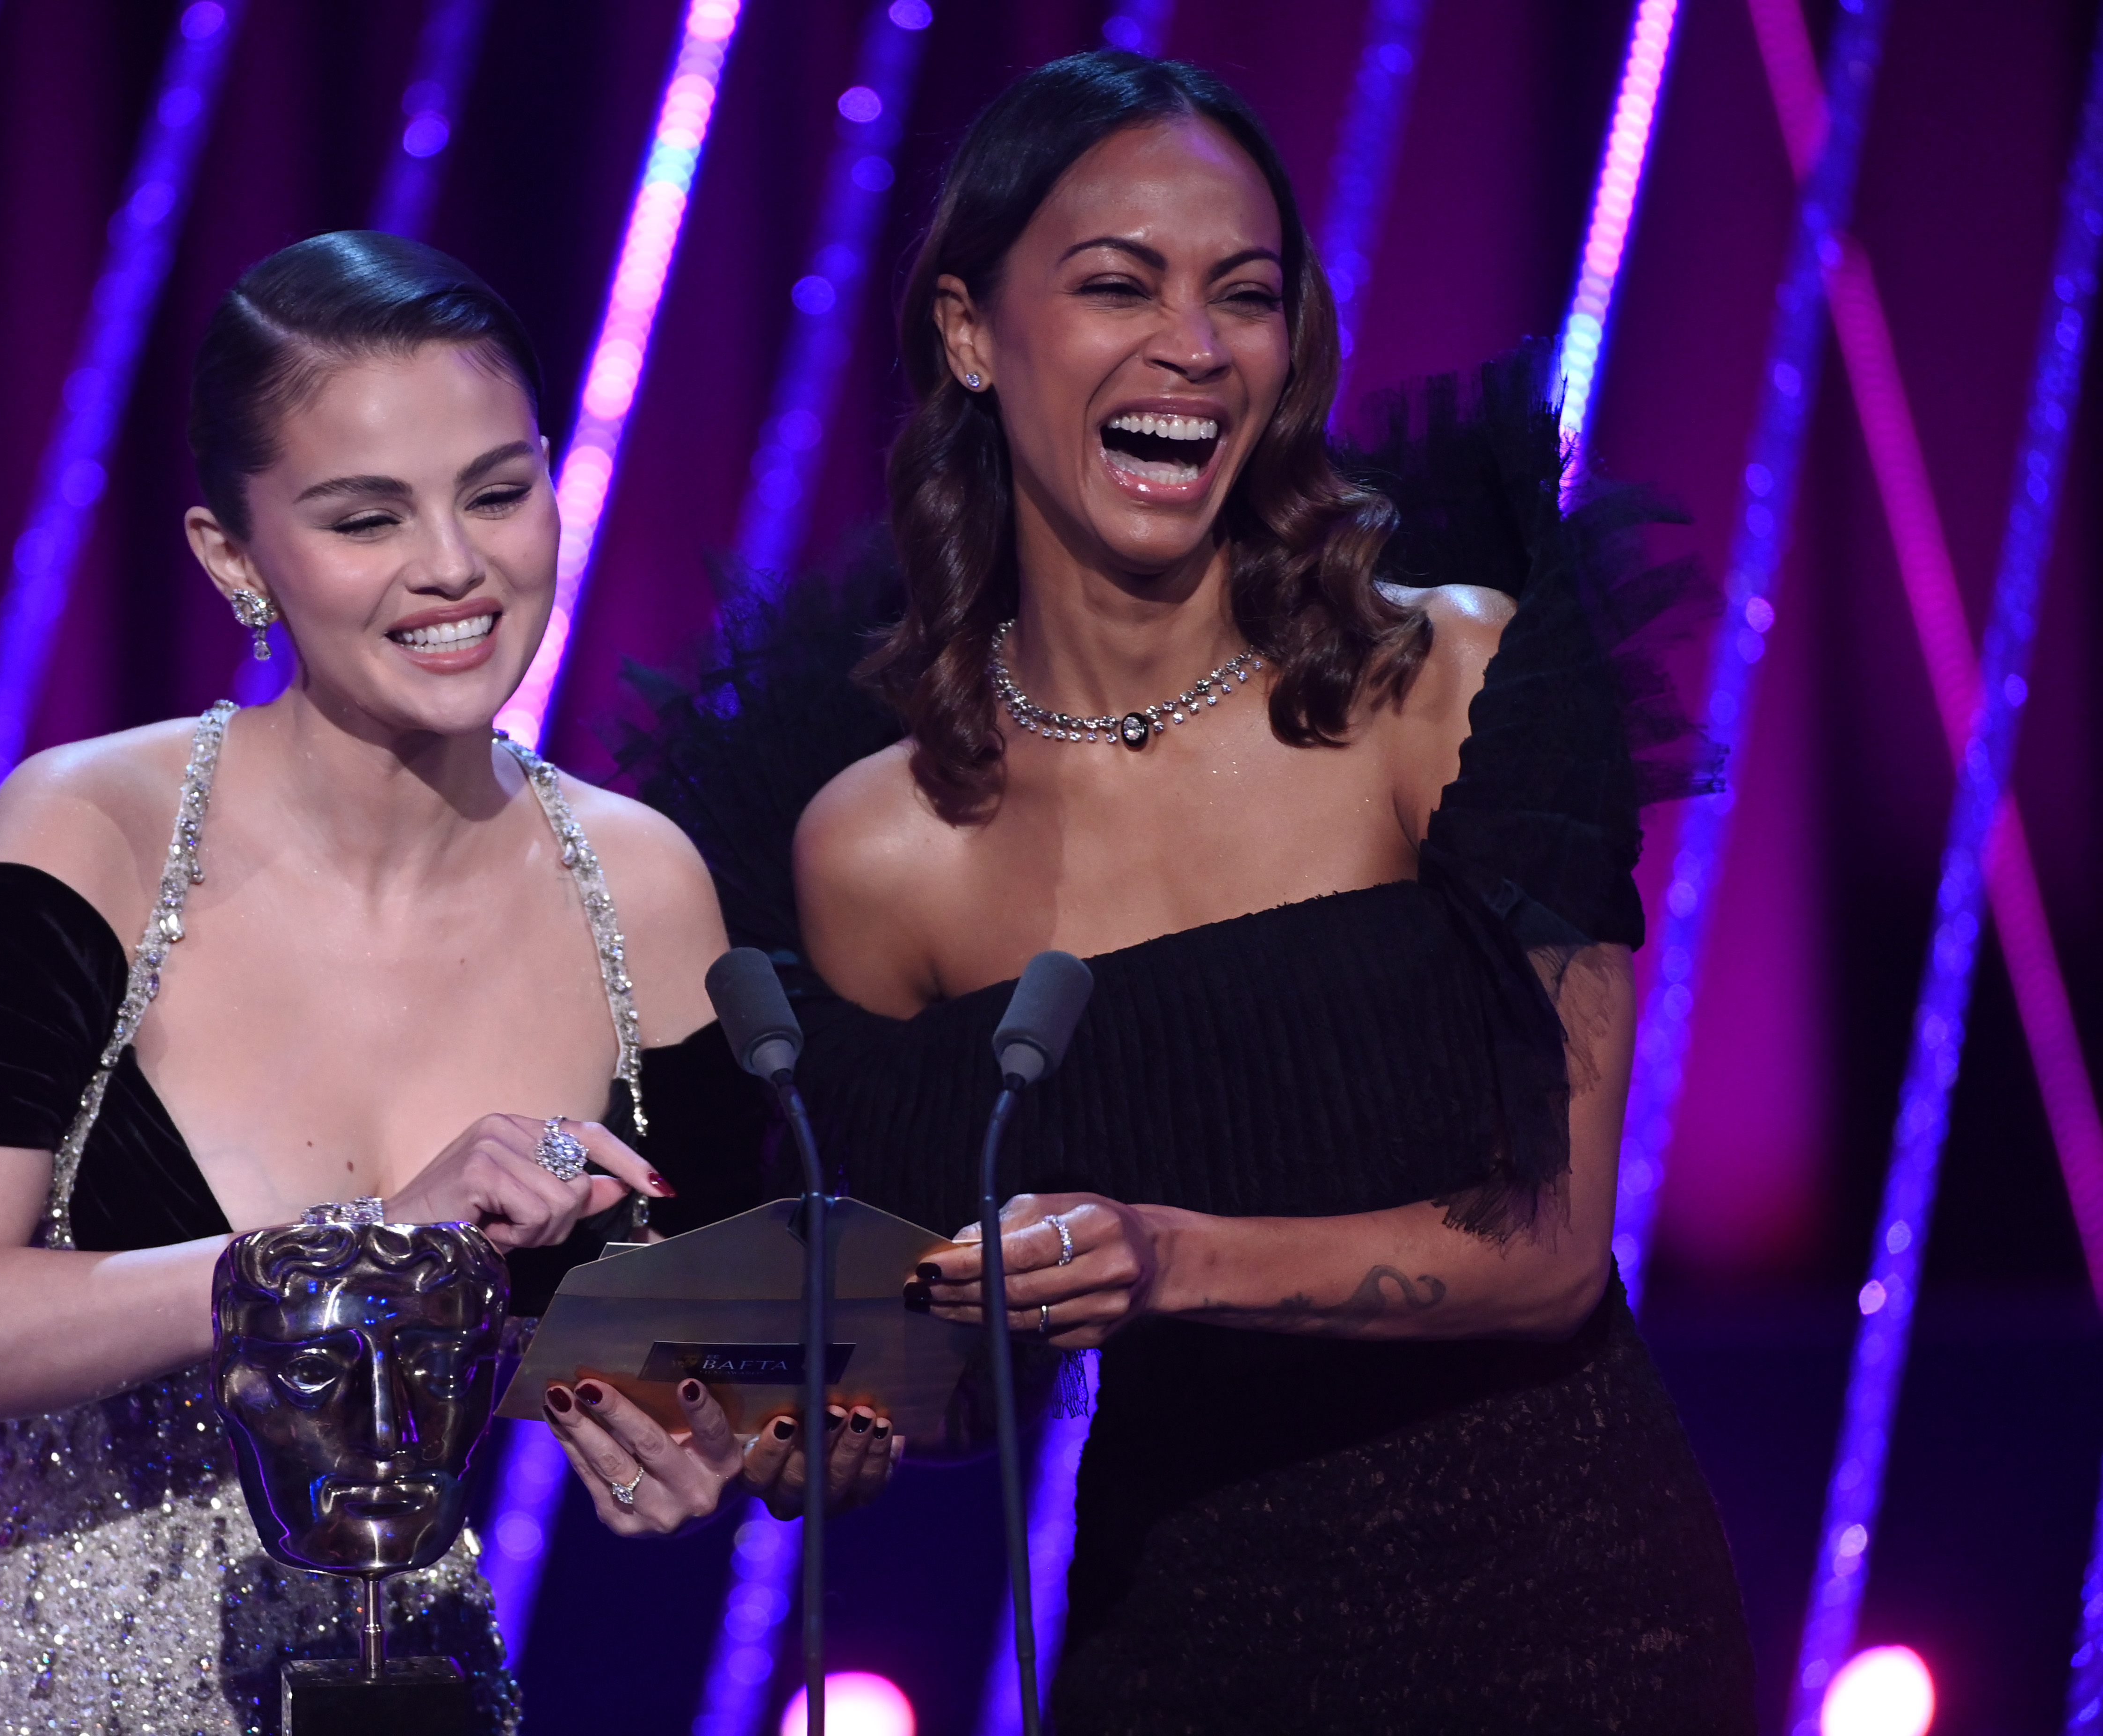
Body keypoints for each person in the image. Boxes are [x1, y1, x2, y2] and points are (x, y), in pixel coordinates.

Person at [613, 51, 1759, 1733]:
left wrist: (1168, 1258)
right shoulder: (880, 847)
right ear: (967, 333)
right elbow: (961, 1356)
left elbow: (1552, 1253)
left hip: (1573, 1629)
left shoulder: (1448, 684)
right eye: (1115, 285)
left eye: (1245, 293)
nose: (1195, 347)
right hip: (1189, 1644)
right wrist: (794, 1431)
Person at [0, 231, 873, 1736]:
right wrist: (364, 1251)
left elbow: (692, 1354)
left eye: (499, 493)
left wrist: (723, 1446)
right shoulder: (89, 828)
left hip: (406, 1687)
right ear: (233, 556)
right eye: (366, 518)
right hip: (35, 1685)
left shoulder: (641, 885)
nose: (455, 564)